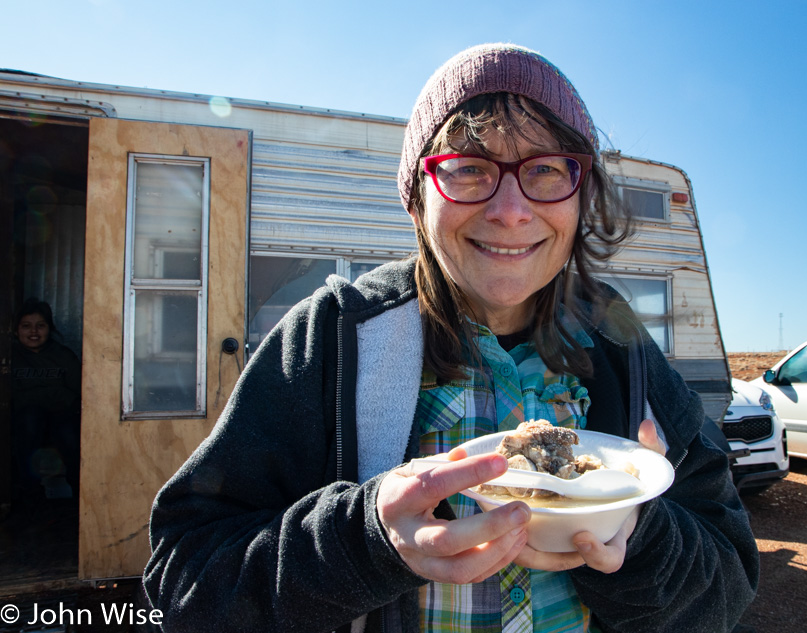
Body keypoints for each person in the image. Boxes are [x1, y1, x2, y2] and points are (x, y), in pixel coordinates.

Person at [144, 43, 758, 632]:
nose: (511, 210)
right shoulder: (336, 336)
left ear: (581, 195)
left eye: (546, 170)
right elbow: (181, 587)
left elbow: (728, 583)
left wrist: (637, 529)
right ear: (416, 197)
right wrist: (364, 542)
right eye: (468, 169)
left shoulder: (625, 349)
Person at [10, 298, 82, 501]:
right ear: (16, 330)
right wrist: (50, 394)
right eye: (26, 326)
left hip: (61, 418)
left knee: (68, 433)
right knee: (29, 420)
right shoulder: (10, 356)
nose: (34, 332)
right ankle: (30, 495)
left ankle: (78, 496)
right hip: (26, 421)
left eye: (40, 326)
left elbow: (78, 395)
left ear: (50, 329)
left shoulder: (63, 356)